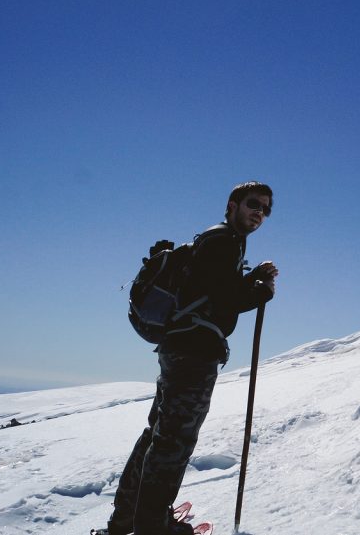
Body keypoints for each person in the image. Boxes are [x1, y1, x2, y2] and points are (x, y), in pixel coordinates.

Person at [96, 182, 279, 535]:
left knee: (157, 437)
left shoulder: (217, 241)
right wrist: (261, 291)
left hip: (178, 349)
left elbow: (210, 291)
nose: (259, 213)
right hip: (194, 355)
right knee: (173, 444)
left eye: (266, 209)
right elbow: (225, 300)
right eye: (253, 204)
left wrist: (253, 277)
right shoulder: (224, 241)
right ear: (233, 204)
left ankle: (124, 523)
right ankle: (152, 527)